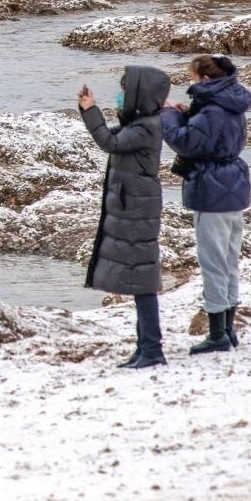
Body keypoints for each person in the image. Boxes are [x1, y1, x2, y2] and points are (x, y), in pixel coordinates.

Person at [77, 65, 170, 369]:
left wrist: (91, 112)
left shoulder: (145, 128)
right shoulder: (140, 123)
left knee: (141, 282)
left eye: (124, 91)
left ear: (139, 95)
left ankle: (152, 349)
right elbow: (113, 137)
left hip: (137, 211)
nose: (121, 96)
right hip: (133, 208)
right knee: (138, 281)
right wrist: (91, 111)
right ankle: (145, 347)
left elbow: (109, 142)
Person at [161, 55, 251, 355]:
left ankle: (217, 334)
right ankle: (227, 328)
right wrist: (187, 113)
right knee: (228, 260)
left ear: (203, 78)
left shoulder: (212, 108)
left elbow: (185, 142)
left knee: (213, 262)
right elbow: (210, 135)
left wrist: (167, 115)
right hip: (234, 186)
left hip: (212, 189)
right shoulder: (230, 102)